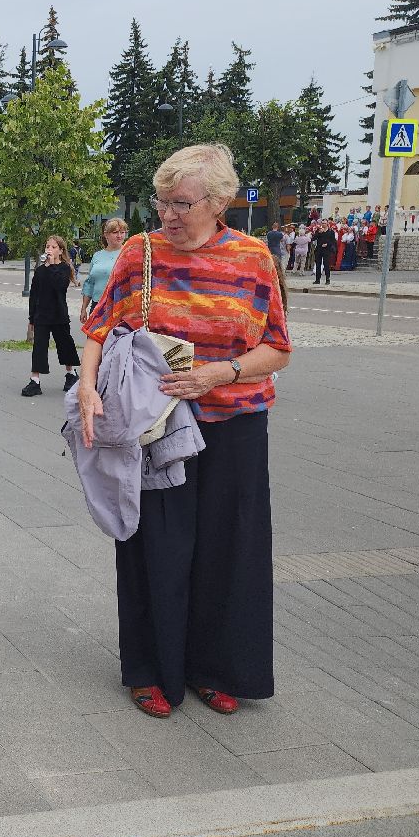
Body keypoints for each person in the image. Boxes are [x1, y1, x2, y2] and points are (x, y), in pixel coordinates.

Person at [77, 143, 291, 719]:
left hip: (234, 426)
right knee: (157, 549)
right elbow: (100, 328)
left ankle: (217, 669)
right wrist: (89, 387)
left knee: (229, 551)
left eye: (181, 203)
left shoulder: (253, 259)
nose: (168, 215)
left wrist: (222, 374)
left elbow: (278, 348)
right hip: (159, 423)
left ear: (220, 202)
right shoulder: (137, 254)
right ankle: (151, 670)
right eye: (161, 202)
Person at [22, 234, 79, 396]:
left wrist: (53, 264)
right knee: (39, 347)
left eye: (54, 247)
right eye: (48, 247)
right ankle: (35, 380)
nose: (50, 250)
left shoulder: (64, 268)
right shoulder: (40, 271)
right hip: (42, 314)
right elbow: (34, 295)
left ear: (61, 251)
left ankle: (71, 374)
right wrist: (31, 318)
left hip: (59, 314)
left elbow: (59, 287)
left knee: (64, 344)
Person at [82, 218, 128, 326]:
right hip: (97, 305)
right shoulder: (97, 256)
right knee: (94, 340)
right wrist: (84, 308)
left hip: (118, 306)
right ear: (106, 234)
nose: (119, 236)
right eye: (115, 232)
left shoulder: (128, 253)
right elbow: (90, 283)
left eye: (122, 232)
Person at [313, 220, 337, 285]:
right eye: (322, 223)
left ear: (327, 224)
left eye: (325, 223)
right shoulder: (319, 231)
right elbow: (313, 238)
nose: (323, 224)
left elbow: (333, 241)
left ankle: (327, 279)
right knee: (318, 265)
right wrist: (318, 232)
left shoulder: (331, 232)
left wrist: (327, 244)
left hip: (327, 250)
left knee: (326, 265)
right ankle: (317, 280)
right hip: (319, 249)